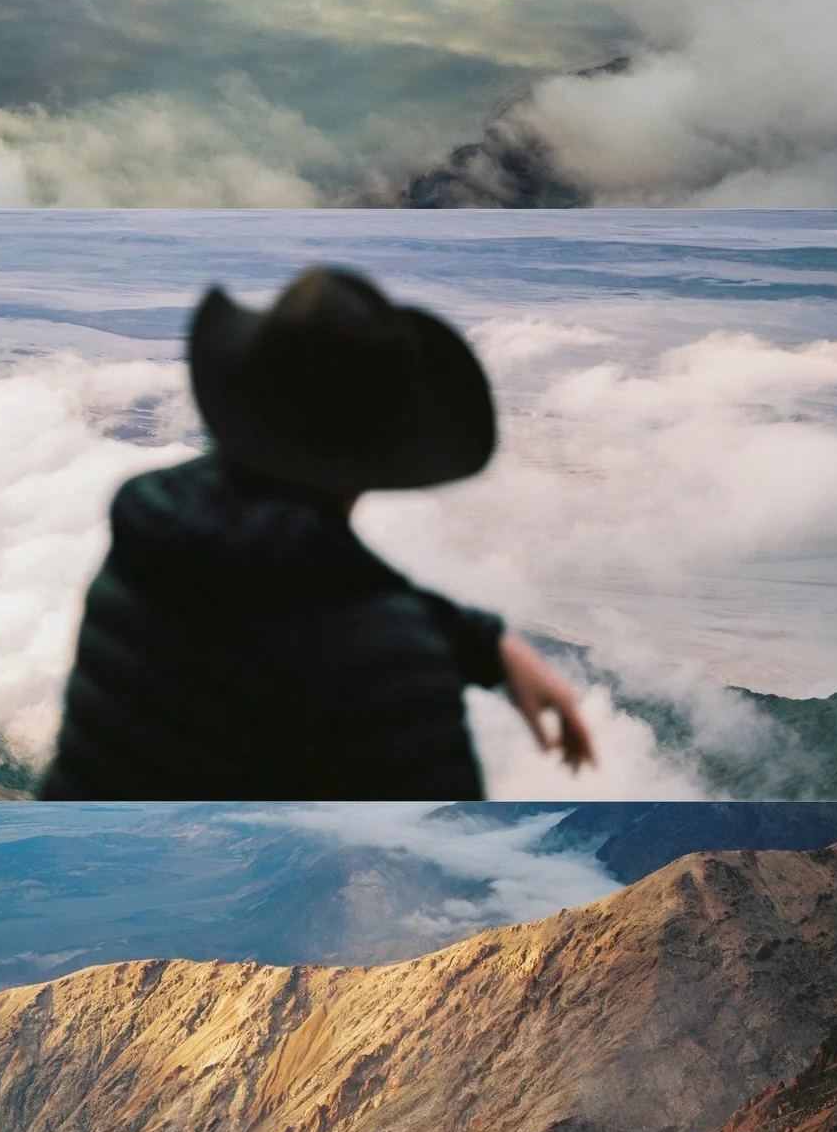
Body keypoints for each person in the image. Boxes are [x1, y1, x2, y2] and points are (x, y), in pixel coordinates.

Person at [41, 266, 594, 801]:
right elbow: (333, 604)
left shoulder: (152, 531)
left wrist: (486, 645)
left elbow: (301, 579)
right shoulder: (384, 659)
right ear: (385, 449)